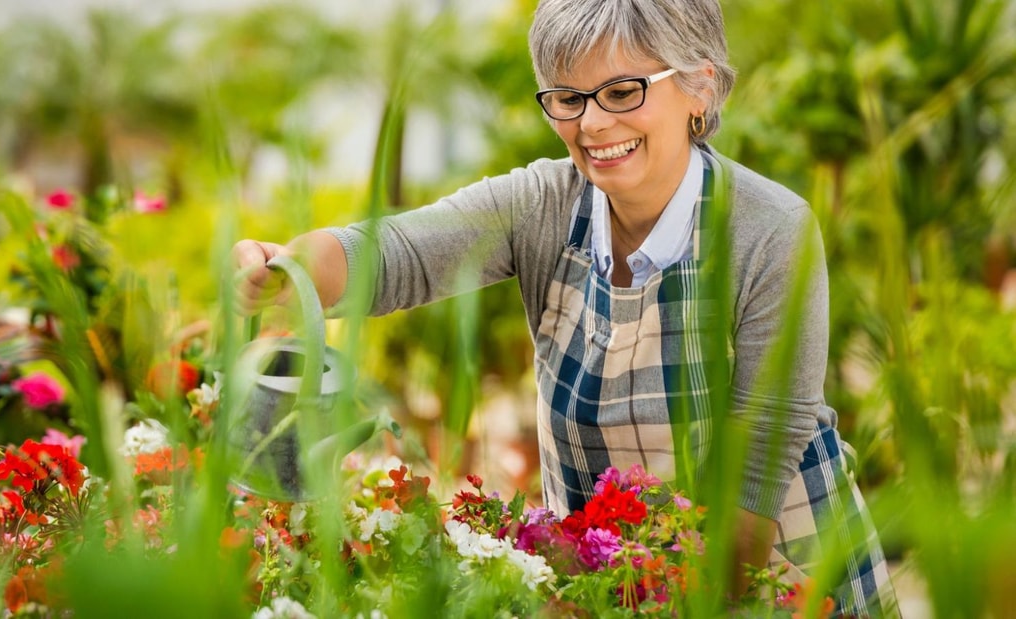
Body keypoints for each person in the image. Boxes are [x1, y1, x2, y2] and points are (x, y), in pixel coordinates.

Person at [232, 0, 900, 615]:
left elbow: (758, 461)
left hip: (774, 569)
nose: (592, 123)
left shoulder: (769, 229)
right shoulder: (542, 206)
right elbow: (400, 252)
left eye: (622, 91)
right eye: (568, 98)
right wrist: (288, 267)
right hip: (608, 582)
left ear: (698, 86)